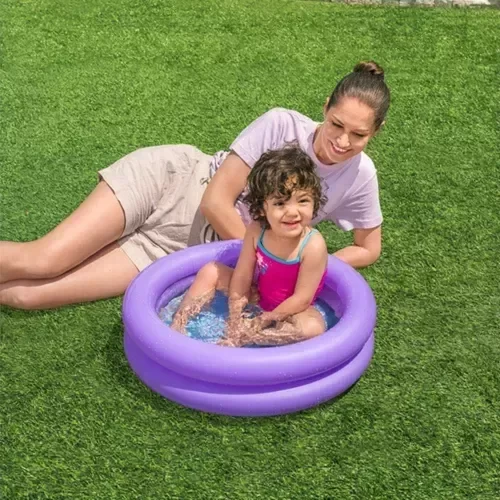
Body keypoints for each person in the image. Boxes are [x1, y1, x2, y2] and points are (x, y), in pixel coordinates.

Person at [0, 60, 390, 310]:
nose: (342, 141)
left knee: (29, 296)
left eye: (358, 135)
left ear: (376, 131)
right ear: (325, 107)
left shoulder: (360, 176)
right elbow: (216, 201)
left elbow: (368, 247)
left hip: (184, 249)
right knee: (43, 261)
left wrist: (313, 265)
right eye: (336, 124)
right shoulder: (280, 124)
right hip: (175, 185)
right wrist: (263, 261)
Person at [170, 146, 331, 347]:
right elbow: (243, 274)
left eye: (303, 201)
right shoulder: (257, 230)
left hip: (293, 310)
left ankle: (246, 338)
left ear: (314, 200)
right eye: (280, 203)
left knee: (313, 329)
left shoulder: (312, 245)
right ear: (262, 207)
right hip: (259, 295)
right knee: (211, 271)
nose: (292, 212)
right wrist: (235, 315)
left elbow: (302, 299)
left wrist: (260, 322)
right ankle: (179, 323)